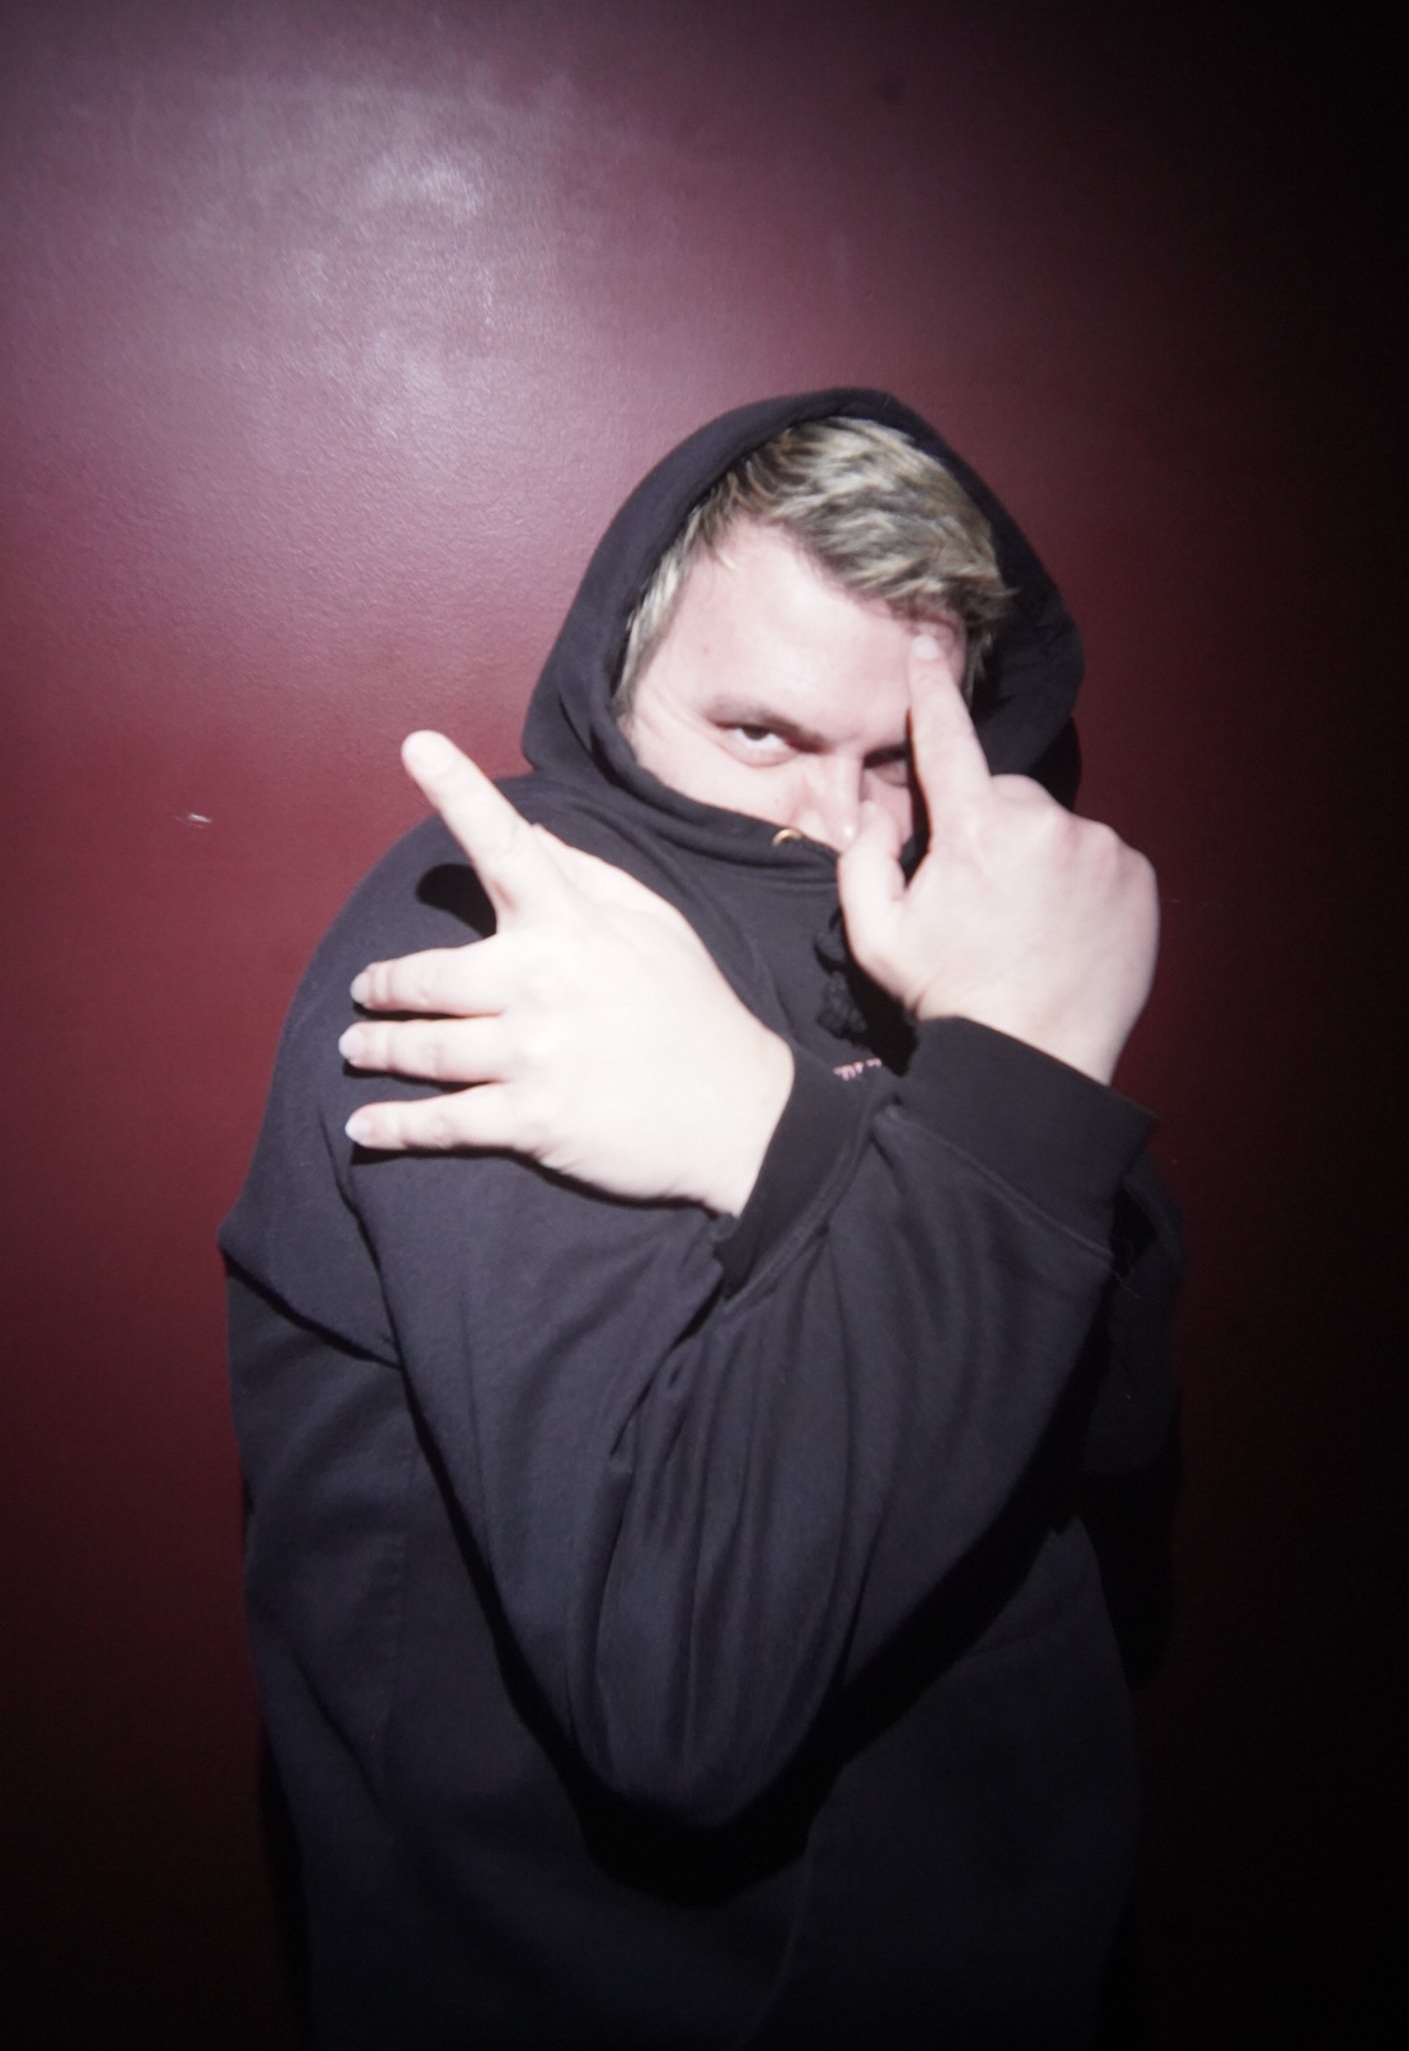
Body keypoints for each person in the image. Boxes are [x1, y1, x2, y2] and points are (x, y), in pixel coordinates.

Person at [223, 389, 1179, 2049]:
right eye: (759, 736)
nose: (841, 830)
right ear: (622, 677)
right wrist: (985, 1092)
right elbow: (679, 1682)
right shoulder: (512, 930)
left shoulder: (964, 927)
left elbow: (1120, 1414)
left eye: (899, 761)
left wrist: (777, 1126)